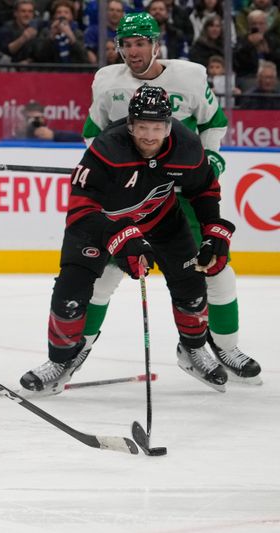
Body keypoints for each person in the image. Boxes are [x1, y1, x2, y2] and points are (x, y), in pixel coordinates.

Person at [80, 12, 262, 386]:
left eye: (141, 43)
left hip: (183, 194)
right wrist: (109, 173)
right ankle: (72, 350)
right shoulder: (106, 82)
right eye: (127, 44)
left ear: (156, 44)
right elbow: (92, 133)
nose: (133, 51)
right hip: (132, 201)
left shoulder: (190, 75)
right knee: (101, 276)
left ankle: (218, 346)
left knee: (214, 270)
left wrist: (209, 158)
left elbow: (215, 121)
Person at [21, 85, 235, 395]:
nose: (150, 135)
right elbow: (82, 209)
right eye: (143, 127)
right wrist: (120, 236)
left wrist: (213, 229)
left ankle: (192, 350)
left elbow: (203, 189)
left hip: (161, 220)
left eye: (158, 127)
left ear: (169, 125)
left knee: (191, 287)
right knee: (70, 294)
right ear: (130, 125)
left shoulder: (186, 148)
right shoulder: (107, 149)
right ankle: (60, 361)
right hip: (98, 225)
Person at [16, 100, 82, 141]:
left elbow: (79, 137)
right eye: (30, 118)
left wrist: (54, 136)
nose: (34, 122)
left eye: (38, 118)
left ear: (43, 118)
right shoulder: (19, 135)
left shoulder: (51, 133)